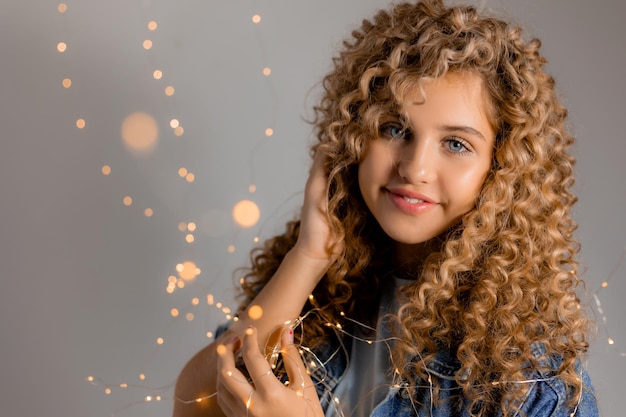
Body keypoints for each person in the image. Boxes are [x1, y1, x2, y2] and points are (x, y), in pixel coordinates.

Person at [173, 0, 600, 416]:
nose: (415, 168)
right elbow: (197, 406)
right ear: (353, 137)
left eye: (456, 144)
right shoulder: (324, 298)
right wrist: (308, 256)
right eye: (394, 129)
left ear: (503, 169)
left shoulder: (530, 381)